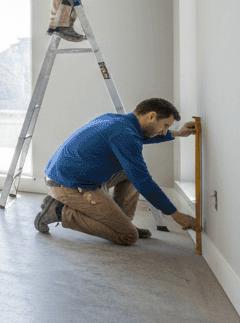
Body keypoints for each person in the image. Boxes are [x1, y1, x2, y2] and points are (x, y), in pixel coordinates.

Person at [34, 98, 200, 246]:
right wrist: (175, 214)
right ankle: (57, 211)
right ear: (151, 116)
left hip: (74, 176)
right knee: (127, 236)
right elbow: (143, 181)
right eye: (165, 125)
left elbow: (143, 137)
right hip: (67, 184)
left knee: (129, 173)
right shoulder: (125, 134)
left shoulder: (117, 121)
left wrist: (178, 133)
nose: (164, 131)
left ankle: (122, 221)